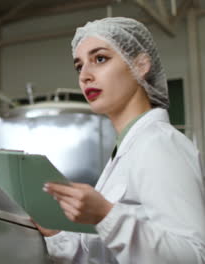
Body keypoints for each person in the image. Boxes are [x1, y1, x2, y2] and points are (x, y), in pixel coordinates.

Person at [34, 17, 205, 263]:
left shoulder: (160, 144)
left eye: (100, 59)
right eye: (79, 66)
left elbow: (193, 256)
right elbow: (106, 255)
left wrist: (105, 215)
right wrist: (57, 235)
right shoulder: (126, 151)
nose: (85, 76)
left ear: (141, 64)